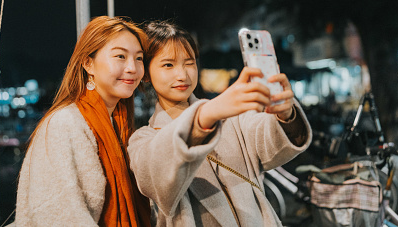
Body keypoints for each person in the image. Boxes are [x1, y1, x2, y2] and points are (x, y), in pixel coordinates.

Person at [128, 20, 312, 226]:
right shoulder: (144, 138)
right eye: (168, 65)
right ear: (145, 75)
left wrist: (285, 116)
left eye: (189, 62)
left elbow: (269, 141)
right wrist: (205, 116)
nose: (182, 74)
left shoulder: (231, 118)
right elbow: (155, 176)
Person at [13, 16, 151, 227]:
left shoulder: (120, 124)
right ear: (88, 63)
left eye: (139, 58)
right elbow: (57, 215)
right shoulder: (64, 124)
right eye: (120, 56)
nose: (133, 67)